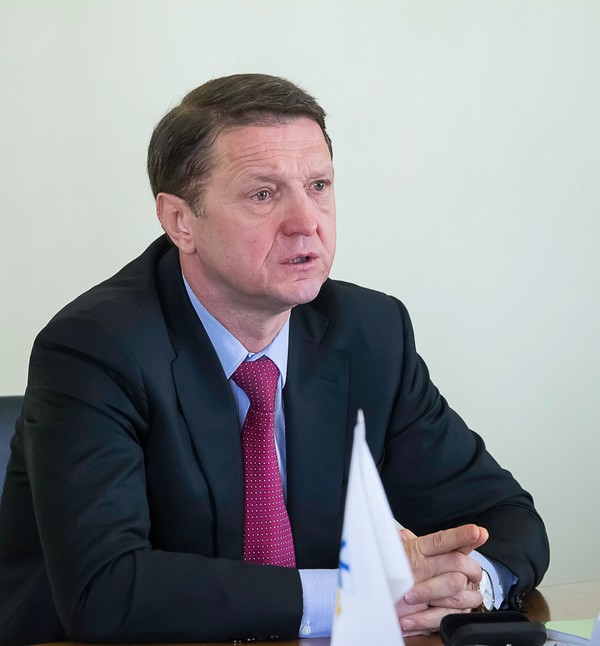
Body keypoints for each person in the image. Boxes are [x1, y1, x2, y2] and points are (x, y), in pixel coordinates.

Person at [0, 74, 549, 645]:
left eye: (318, 185)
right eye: (263, 194)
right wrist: (351, 598)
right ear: (180, 221)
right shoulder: (95, 349)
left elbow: (504, 516)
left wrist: (468, 585)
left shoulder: (370, 333)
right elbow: (107, 592)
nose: (306, 221)